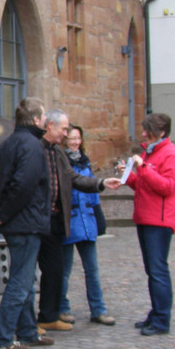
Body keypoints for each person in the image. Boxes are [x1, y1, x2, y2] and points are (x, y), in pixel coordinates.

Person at [35, 109, 120, 332]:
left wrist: (101, 184)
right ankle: (50, 313)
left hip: (73, 221)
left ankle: (61, 314)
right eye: (66, 132)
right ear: (50, 126)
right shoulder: (39, 149)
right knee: (54, 271)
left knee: (73, 269)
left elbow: (76, 180)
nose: (69, 137)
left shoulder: (61, 153)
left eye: (74, 136)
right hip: (54, 221)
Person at [0, 98, 55, 349]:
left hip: (18, 221)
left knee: (25, 279)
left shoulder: (9, 143)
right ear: (36, 120)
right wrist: (4, 212)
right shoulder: (32, 145)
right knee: (20, 282)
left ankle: (27, 331)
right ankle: (1, 338)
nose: (46, 120)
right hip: (25, 222)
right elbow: (23, 185)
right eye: (44, 116)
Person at [122, 113, 175, 336]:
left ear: (161, 132)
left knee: (158, 271)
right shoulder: (150, 152)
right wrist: (128, 175)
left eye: (148, 131)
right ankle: (156, 313)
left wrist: (144, 169)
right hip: (146, 217)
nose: (144, 134)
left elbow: (167, 187)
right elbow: (144, 185)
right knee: (152, 270)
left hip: (159, 221)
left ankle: (161, 320)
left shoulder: (171, 155)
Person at [58, 125, 115, 326]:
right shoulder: (61, 161)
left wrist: (98, 216)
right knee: (64, 270)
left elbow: (92, 192)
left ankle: (98, 309)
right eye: (72, 138)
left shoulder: (84, 161)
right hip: (70, 221)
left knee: (92, 269)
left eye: (78, 138)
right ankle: (62, 308)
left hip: (86, 220)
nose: (75, 142)